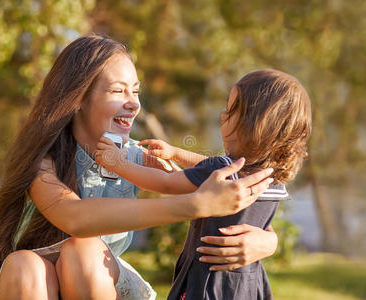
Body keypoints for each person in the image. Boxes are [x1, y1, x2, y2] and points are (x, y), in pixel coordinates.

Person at [0, 35, 277, 300]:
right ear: (79, 98)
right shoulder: (42, 162)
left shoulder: (137, 156)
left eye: (135, 91)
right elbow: (75, 218)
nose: (134, 103)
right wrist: (193, 206)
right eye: (117, 90)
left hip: (101, 277)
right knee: (23, 264)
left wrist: (267, 241)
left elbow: (225, 189)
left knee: (81, 253)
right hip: (35, 283)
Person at [96, 69, 312, 299]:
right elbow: (210, 167)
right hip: (248, 284)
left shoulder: (223, 169)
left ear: (253, 125)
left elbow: (166, 183)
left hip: (207, 282)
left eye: (230, 112)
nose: (222, 116)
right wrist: (176, 153)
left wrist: (118, 164)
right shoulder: (272, 179)